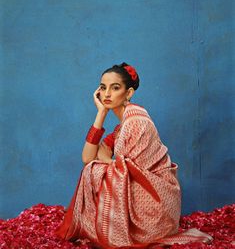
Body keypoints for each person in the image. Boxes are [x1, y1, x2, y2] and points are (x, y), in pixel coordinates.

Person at [55, 63, 212, 248]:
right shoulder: (121, 128)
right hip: (145, 200)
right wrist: (101, 113)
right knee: (93, 168)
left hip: (155, 207)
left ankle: (119, 232)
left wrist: (106, 162)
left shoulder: (136, 121)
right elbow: (87, 157)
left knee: (96, 171)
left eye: (115, 88)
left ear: (128, 93)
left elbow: (131, 172)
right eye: (103, 88)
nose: (107, 94)